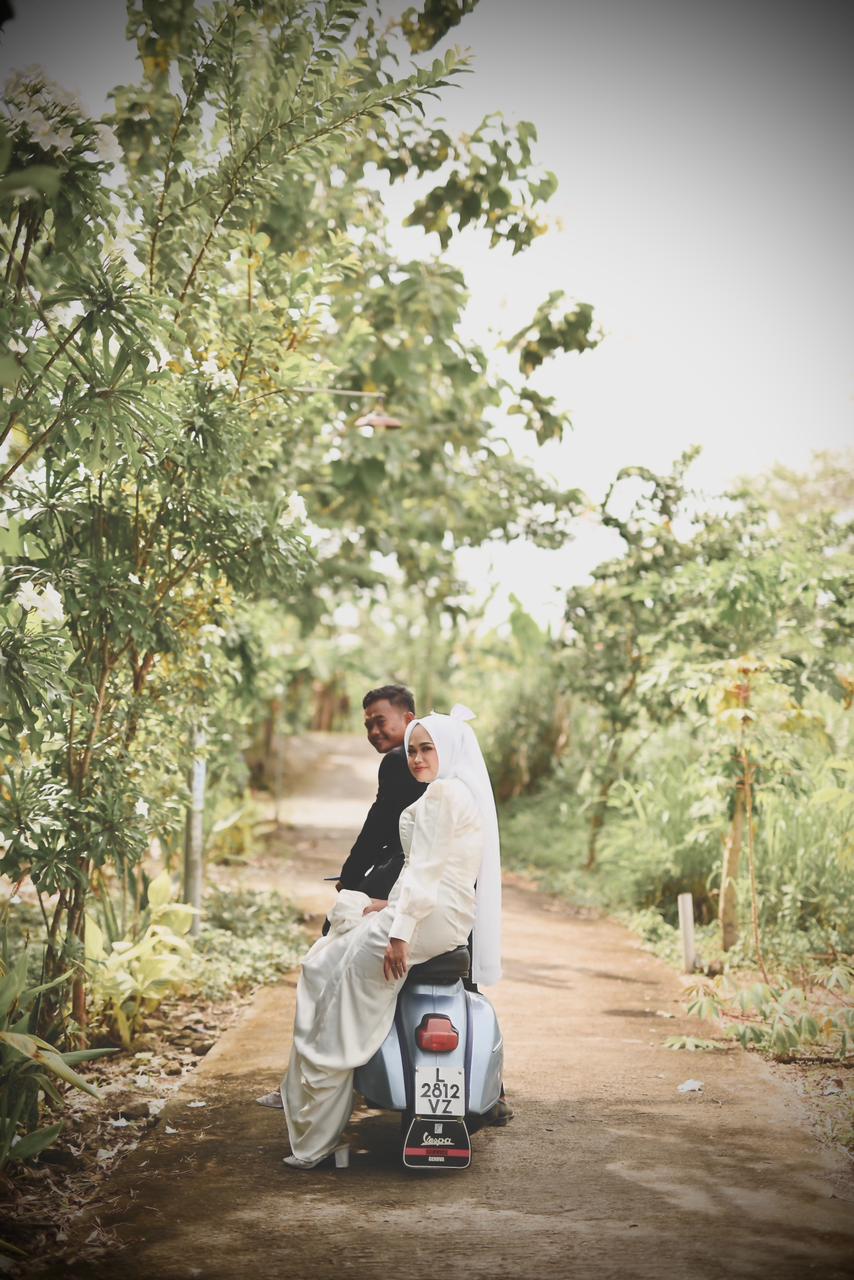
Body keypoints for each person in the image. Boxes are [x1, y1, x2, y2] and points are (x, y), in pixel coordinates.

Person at [280, 705, 502, 1169]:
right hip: (441, 917)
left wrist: (400, 932)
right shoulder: (459, 793)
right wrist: (389, 907)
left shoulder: (443, 794)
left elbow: (423, 871)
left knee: (336, 1004)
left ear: (449, 750)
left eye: (427, 749)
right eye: (413, 750)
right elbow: (433, 872)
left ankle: (315, 1136)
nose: (417, 759)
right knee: (329, 955)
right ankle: (321, 1080)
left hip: (421, 920)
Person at [335, 684, 427, 898]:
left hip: (407, 869)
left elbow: (379, 825)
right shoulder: (436, 755)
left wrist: (349, 876)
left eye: (381, 722)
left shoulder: (398, 760)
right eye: (368, 726)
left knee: (349, 914)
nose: (374, 732)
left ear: (408, 719)